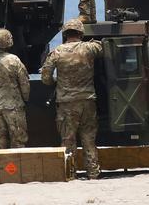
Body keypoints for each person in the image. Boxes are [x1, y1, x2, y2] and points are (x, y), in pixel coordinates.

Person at [40, 18, 104, 179]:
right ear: (80, 33)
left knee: (68, 140)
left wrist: (59, 82)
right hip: (88, 100)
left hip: (66, 103)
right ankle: (93, 172)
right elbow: (103, 48)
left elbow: (46, 78)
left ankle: (70, 173)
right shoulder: (89, 48)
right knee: (89, 138)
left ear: (65, 34)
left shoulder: (57, 52)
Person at [0, 28, 30, 149]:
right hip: (14, 107)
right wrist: (25, 99)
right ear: (8, 42)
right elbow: (24, 84)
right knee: (18, 142)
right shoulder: (14, 60)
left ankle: (1, 167)